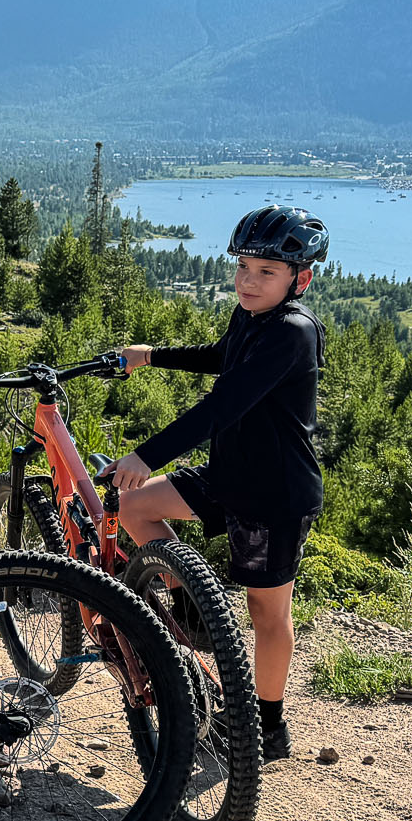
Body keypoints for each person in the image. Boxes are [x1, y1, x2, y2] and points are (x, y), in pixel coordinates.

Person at [102, 204, 328, 763]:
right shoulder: (250, 316)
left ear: (300, 279)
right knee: (134, 508)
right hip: (228, 476)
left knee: (267, 615)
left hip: (274, 495)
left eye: (266, 272)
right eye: (243, 267)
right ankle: (194, 608)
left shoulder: (294, 333)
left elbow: (222, 406)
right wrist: (152, 356)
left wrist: (146, 455)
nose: (248, 281)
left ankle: (268, 726)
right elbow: (223, 358)